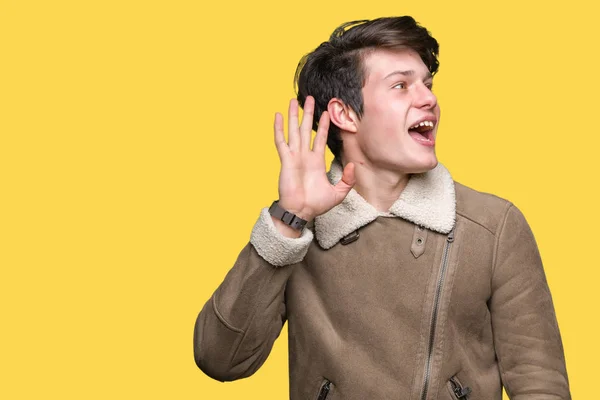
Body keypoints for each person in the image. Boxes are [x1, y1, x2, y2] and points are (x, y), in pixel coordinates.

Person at [193, 16, 571, 399]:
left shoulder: (493, 225)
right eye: (402, 85)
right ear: (345, 115)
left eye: (427, 84)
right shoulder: (299, 228)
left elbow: (540, 383)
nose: (428, 99)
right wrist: (289, 222)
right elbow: (220, 359)